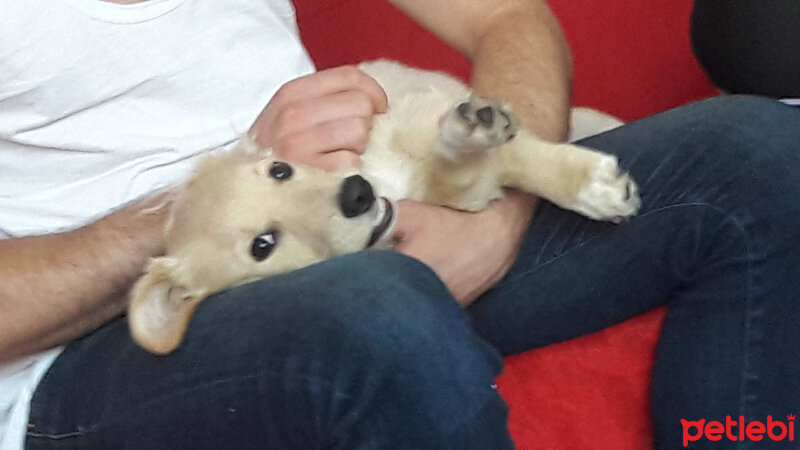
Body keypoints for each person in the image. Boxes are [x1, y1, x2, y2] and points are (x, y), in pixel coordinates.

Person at [0, 1, 798, 449]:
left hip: (369, 221)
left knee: (765, 151)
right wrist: (214, 200)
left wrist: (499, 219)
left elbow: (510, 17)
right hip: (110, 343)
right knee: (376, 308)